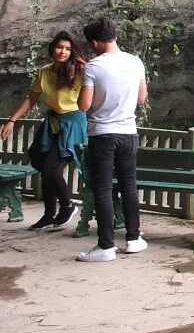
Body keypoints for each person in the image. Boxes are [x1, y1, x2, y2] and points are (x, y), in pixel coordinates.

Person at [76, 16, 147, 262]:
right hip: (128, 132)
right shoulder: (135, 62)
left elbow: (84, 105)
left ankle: (106, 245)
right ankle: (134, 239)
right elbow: (141, 98)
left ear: (95, 42)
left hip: (102, 134)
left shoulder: (93, 67)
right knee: (129, 186)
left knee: (104, 190)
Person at [1, 31, 88, 230]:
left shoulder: (79, 71)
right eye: (59, 47)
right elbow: (31, 98)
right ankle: (49, 214)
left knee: (50, 167)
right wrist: (12, 120)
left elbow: (92, 90)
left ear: (72, 51)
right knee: (42, 163)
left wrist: (83, 66)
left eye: (67, 49)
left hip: (73, 122)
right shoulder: (45, 71)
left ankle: (67, 206)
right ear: (52, 48)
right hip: (53, 122)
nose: (62, 52)